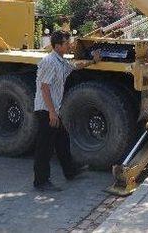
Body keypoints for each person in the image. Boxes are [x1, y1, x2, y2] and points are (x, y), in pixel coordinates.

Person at [33, 30, 101, 192]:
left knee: (62, 140)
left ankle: (70, 171)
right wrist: (51, 112)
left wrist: (92, 61)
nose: (70, 45)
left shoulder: (61, 61)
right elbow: (44, 88)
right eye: (67, 43)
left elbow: (74, 66)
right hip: (45, 110)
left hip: (53, 109)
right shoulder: (49, 62)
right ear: (58, 46)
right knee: (44, 148)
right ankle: (41, 181)